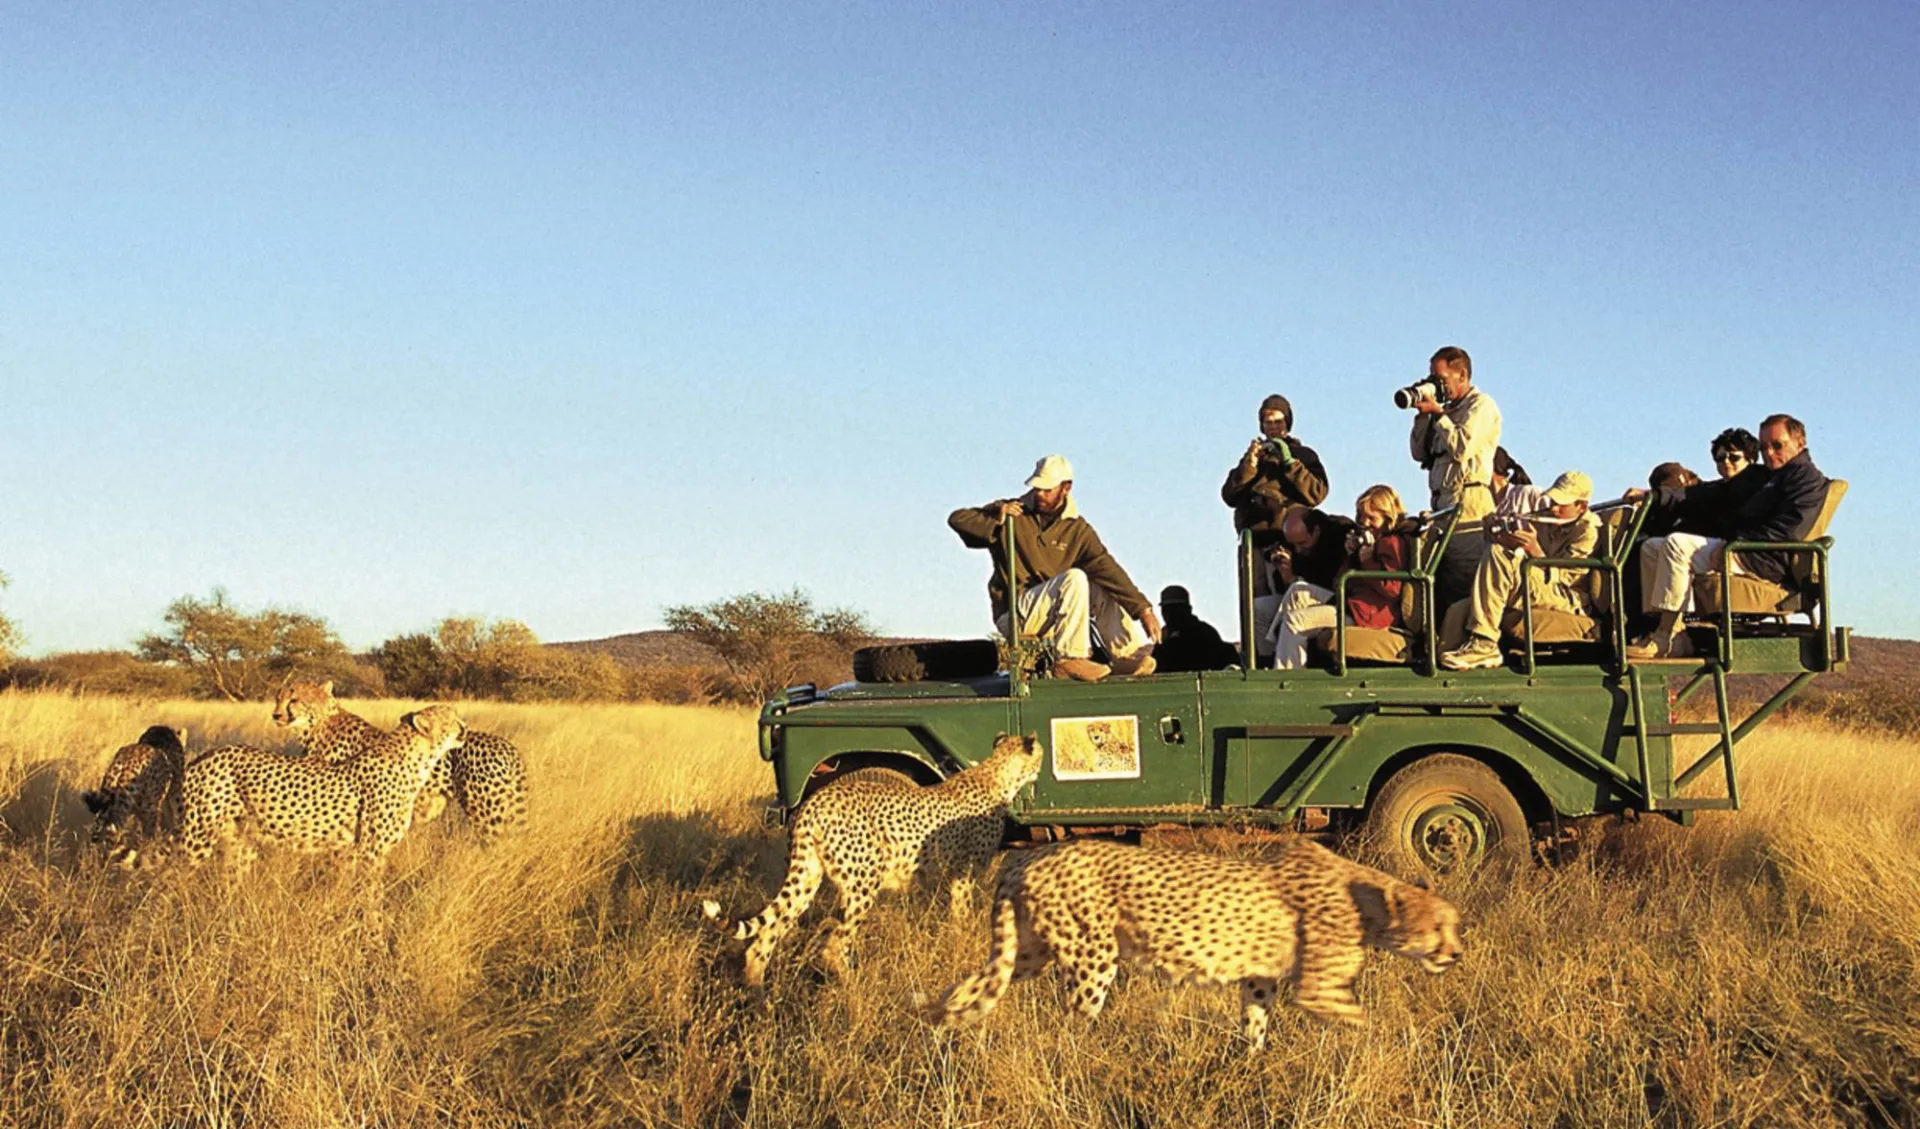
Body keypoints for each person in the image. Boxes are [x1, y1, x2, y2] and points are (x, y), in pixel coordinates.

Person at [1624, 415, 1830, 659]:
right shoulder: (1770, 476)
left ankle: (1666, 638)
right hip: (1744, 548)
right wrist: (1654, 496)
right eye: (1765, 447)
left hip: (1764, 557)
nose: (1770, 453)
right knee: (1652, 547)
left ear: (1800, 442)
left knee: (1677, 544)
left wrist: (1737, 544)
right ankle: (1669, 629)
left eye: (1778, 445)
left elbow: (1789, 531)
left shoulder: (1805, 479)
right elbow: (1701, 494)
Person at [948, 455, 1161, 681]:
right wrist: (997, 516)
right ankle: (1069, 658)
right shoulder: (1014, 512)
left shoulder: (1077, 529)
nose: (1039, 494)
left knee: (1099, 586)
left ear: (1066, 488)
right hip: (1014, 613)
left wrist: (1143, 610)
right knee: (1075, 578)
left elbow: (1108, 569)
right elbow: (957, 519)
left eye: (1047, 489)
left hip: (1049, 612)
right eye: (1037, 488)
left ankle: (1125, 656)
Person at [1439, 471, 1600, 671]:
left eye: (1562, 504)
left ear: (1581, 506)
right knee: (1461, 608)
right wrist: (1499, 534)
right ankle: (1442, 661)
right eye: (1553, 501)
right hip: (1541, 582)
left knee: (1499, 555)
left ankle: (1485, 642)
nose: (1554, 508)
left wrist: (1535, 551)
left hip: (1567, 596)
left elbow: (1565, 578)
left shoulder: (1587, 531)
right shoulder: (1549, 519)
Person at [1267, 487, 1414, 670]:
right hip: (1353, 603)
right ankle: (1276, 655)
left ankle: (1287, 680)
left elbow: (1392, 589)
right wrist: (1351, 555)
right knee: (1298, 590)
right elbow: (1340, 582)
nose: (1365, 523)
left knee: (1295, 621)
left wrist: (1366, 561)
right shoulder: (1372, 542)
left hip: (1367, 615)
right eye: (1361, 517)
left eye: (1372, 518)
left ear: (1388, 518)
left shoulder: (1391, 543)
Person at [1221, 393, 1329, 568]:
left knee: (1286, 591)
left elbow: (1317, 493)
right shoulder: (1254, 459)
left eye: (1278, 422)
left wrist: (1290, 463)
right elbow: (1229, 496)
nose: (1273, 428)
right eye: (1268, 423)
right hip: (1253, 543)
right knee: (1256, 594)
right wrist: (1250, 465)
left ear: (1287, 423)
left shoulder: (1303, 455)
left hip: (1287, 540)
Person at [1408, 346, 1503, 520]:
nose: (1437, 385)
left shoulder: (1481, 405)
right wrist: (1423, 417)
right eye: (1433, 379)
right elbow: (1418, 454)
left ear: (1462, 375)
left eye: (1441, 379)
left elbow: (1462, 449)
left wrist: (1439, 415)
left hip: (1468, 503)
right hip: (1440, 505)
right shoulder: (1444, 411)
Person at [1253, 506, 1355, 664]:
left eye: (1302, 543)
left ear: (1316, 531)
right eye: (1293, 545)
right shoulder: (1294, 545)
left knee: (1298, 592)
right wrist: (1286, 574)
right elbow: (1290, 585)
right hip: (1309, 596)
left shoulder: (1340, 534)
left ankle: (1283, 661)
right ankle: (1266, 661)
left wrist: (1296, 575)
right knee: (1259, 608)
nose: (1298, 549)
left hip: (1340, 599)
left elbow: (1328, 579)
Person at [1153, 585, 1237, 672]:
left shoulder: (1205, 634)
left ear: (1188, 609)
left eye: (1175, 610)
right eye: (1167, 610)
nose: (1170, 615)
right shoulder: (1207, 631)